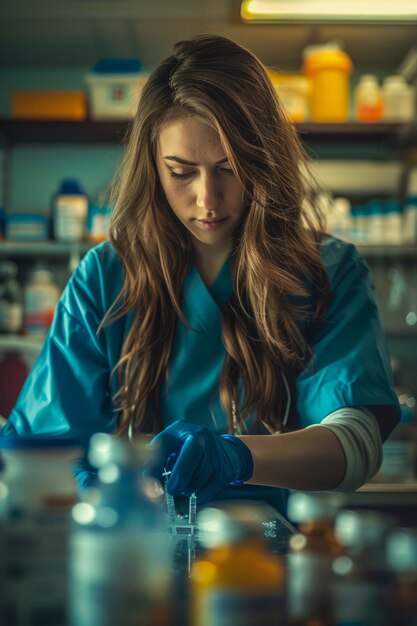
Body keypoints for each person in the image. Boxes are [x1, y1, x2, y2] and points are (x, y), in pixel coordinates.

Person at [1, 34, 400, 511]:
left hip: (262, 557)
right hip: (130, 550)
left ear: (265, 161)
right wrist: (98, 485)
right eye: (182, 172)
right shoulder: (105, 278)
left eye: (229, 168)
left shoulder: (327, 271)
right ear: (153, 167)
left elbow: (355, 445)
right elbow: (41, 449)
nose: (207, 200)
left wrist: (237, 457)